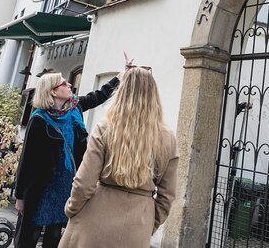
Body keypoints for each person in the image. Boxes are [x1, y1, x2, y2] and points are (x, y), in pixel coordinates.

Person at [58, 66, 179, 248]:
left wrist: (71, 209)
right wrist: (148, 224)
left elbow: (85, 182)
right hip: (138, 226)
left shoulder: (106, 127)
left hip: (95, 219)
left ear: (122, 92)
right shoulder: (167, 137)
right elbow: (167, 196)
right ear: (154, 96)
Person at [13, 69, 123, 248]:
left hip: (66, 183)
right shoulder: (39, 119)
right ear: (53, 91)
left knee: (56, 230)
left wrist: (120, 77)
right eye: (64, 83)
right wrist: (20, 195)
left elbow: (99, 96)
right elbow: (27, 160)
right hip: (42, 186)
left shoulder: (74, 108)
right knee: (31, 232)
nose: (70, 84)